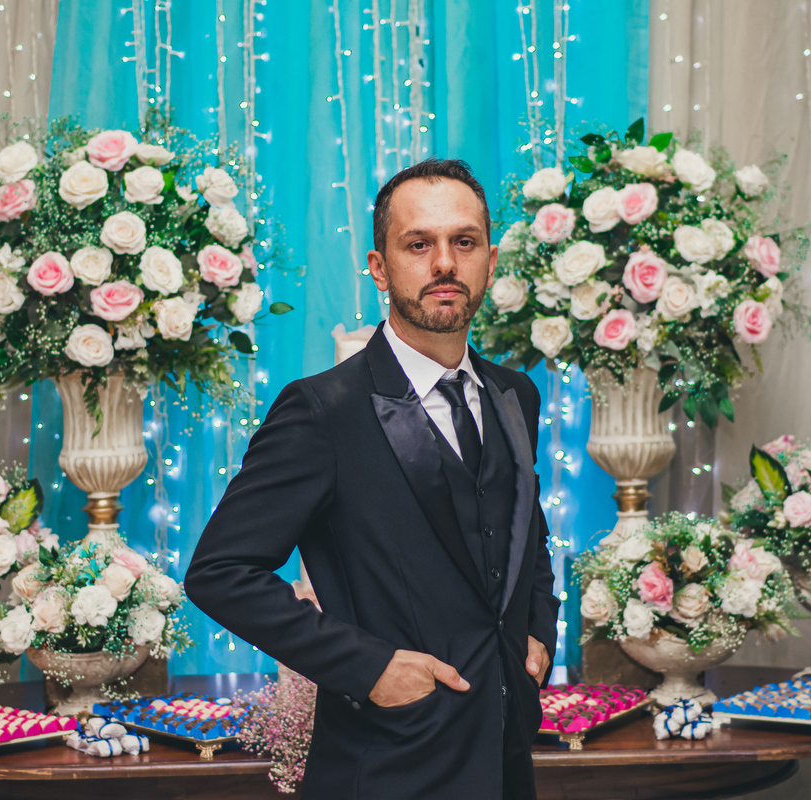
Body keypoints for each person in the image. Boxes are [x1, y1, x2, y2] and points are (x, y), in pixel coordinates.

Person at [185, 158, 560, 799]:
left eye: (464, 242)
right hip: (387, 765)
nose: (445, 263)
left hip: (506, 759)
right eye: (419, 244)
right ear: (380, 267)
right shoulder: (322, 409)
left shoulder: (514, 393)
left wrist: (539, 628)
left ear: (490, 261)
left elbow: (526, 532)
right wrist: (370, 667)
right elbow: (219, 572)